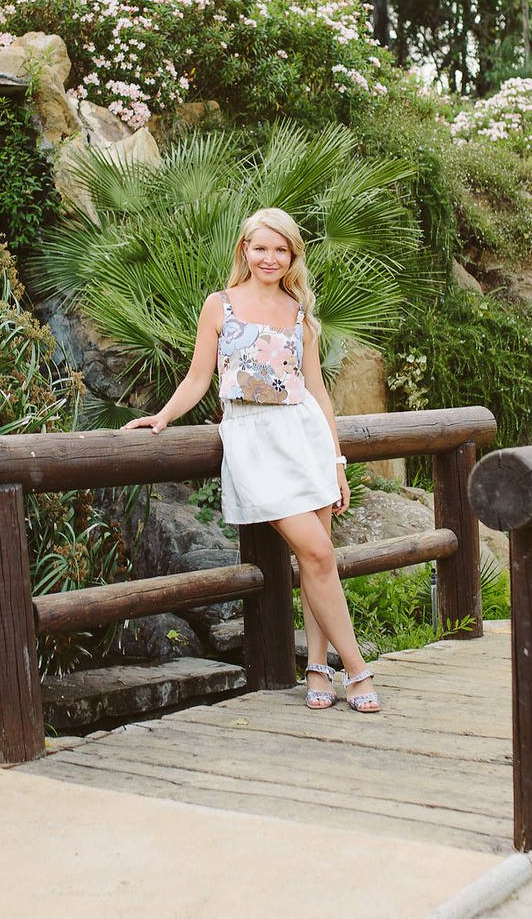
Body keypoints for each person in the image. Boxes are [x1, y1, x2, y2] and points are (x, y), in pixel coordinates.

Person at [122, 207, 380, 713]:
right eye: (261, 248)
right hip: (253, 439)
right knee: (320, 555)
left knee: (314, 560)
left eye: (281, 250)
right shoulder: (219, 306)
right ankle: (357, 670)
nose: (270, 258)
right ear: (244, 249)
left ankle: (316, 668)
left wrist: (336, 461)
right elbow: (198, 378)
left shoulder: (300, 311)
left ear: (292, 256)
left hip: (303, 434)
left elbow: (319, 392)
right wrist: (160, 418)